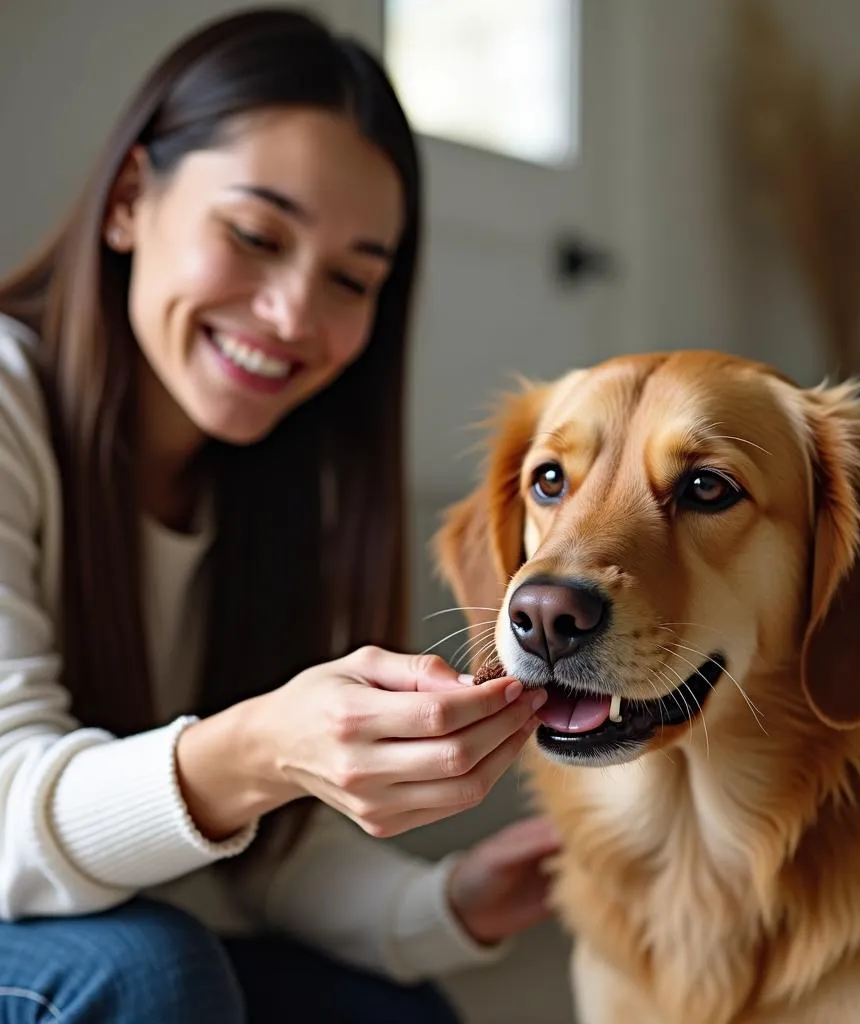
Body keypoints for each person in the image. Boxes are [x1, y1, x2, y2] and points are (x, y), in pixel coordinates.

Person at [0, 8, 558, 1023]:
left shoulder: (273, 478)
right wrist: (257, 746)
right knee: (148, 969)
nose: (295, 315)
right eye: (255, 235)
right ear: (129, 200)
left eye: (351, 279)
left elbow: (253, 853)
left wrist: (444, 903)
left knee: (396, 1013)